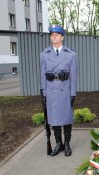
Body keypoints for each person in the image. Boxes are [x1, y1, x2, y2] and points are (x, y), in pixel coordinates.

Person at [40, 24, 78, 157]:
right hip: (50, 90)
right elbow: (42, 75)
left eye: (57, 35)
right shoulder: (44, 54)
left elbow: (73, 76)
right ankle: (58, 143)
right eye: (52, 35)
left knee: (66, 118)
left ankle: (67, 143)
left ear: (62, 37)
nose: (54, 37)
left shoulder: (71, 55)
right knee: (54, 118)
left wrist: (73, 93)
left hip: (65, 90)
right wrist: (43, 93)